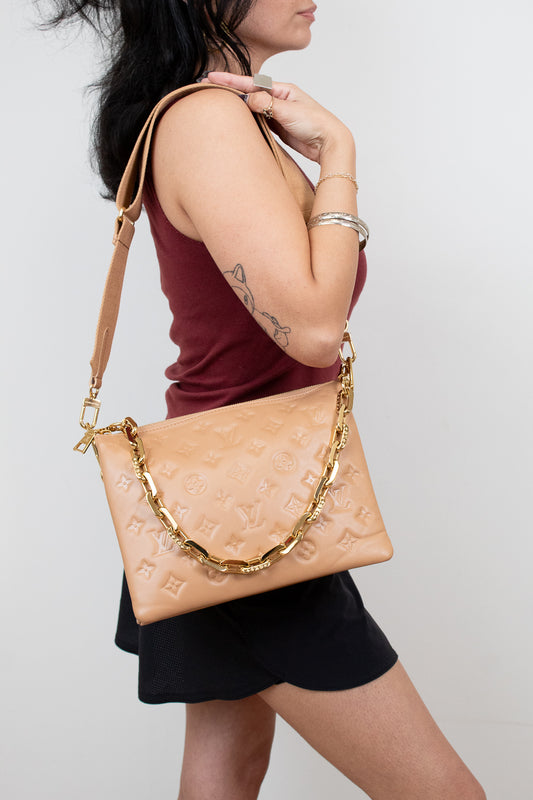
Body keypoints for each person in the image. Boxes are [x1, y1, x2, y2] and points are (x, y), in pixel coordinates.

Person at [45, 2, 486, 798]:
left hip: (224, 510)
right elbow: (314, 330)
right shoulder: (206, 121)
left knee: (228, 772)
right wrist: (341, 154)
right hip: (248, 527)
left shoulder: (227, 118)